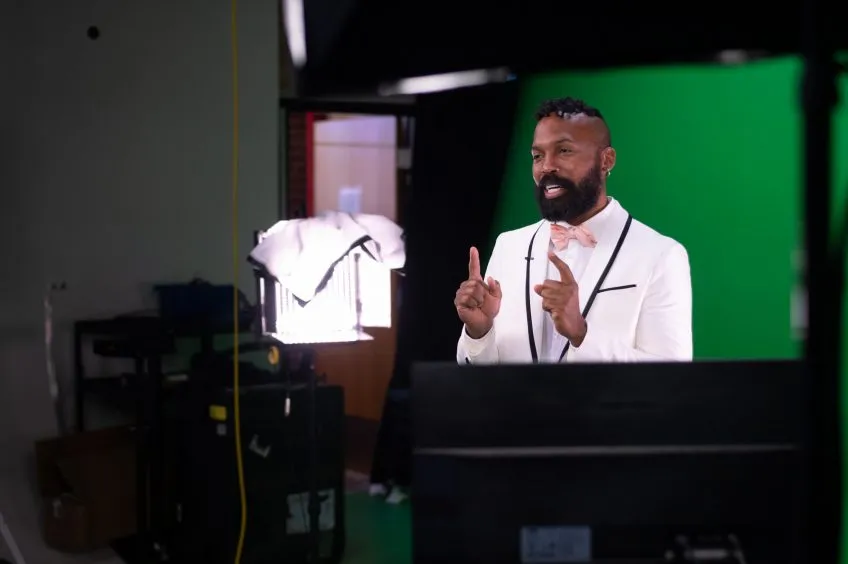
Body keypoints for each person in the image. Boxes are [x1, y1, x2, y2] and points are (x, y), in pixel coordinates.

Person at [455, 97, 692, 364]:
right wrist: (479, 332)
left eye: (564, 151)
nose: (546, 167)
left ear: (606, 160)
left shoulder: (661, 255)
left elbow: (672, 376)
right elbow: (480, 375)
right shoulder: (509, 246)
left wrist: (582, 335)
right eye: (537, 156)